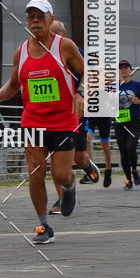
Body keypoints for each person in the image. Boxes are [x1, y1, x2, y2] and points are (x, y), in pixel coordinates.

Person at [0, 0, 84, 244]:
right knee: (35, 173)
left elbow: (88, 72)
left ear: (50, 19)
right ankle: (43, 225)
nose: (35, 20)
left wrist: (80, 92)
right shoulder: (22, 51)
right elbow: (14, 85)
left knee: (60, 175)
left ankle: (69, 187)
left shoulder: (65, 46)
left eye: (40, 16)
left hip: (62, 121)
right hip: (33, 122)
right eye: (31, 17)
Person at [47, 21, 99, 215]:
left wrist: (82, 95)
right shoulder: (44, 54)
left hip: (75, 112)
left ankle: (87, 165)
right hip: (53, 115)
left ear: (64, 33)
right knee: (55, 158)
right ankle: (62, 198)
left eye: (55, 33)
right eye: (49, 34)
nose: (52, 38)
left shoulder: (78, 53)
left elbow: (93, 77)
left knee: (78, 157)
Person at [115, 60, 140, 189]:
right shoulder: (113, 86)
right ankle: (128, 181)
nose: (123, 70)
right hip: (119, 122)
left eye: (126, 67)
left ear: (130, 70)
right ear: (118, 71)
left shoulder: (138, 85)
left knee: (131, 147)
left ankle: (134, 170)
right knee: (123, 152)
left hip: (134, 121)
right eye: (121, 68)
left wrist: (138, 101)